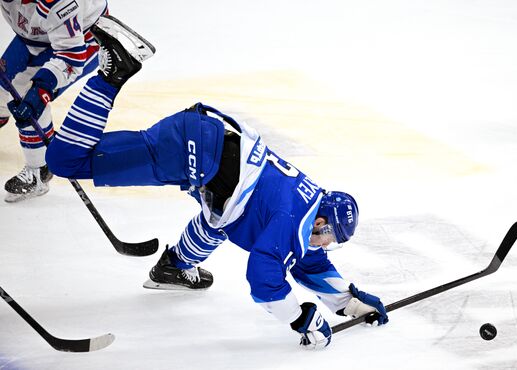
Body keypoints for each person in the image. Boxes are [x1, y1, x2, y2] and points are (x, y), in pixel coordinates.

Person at [45, 16, 389, 349]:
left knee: (221, 221)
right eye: (331, 237)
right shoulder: (293, 221)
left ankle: (173, 267)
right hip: (192, 152)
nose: (326, 244)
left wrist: (350, 303)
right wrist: (299, 318)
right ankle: (113, 72)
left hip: (205, 147)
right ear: (322, 222)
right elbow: (263, 277)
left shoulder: (305, 207)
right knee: (66, 161)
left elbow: (306, 259)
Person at [0, 0, 108, 202]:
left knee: (30, 101)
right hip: (33, 37)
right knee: (2, 86)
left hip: (80, 42)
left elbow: (71, 56)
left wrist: (42, 88)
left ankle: (39, 170)